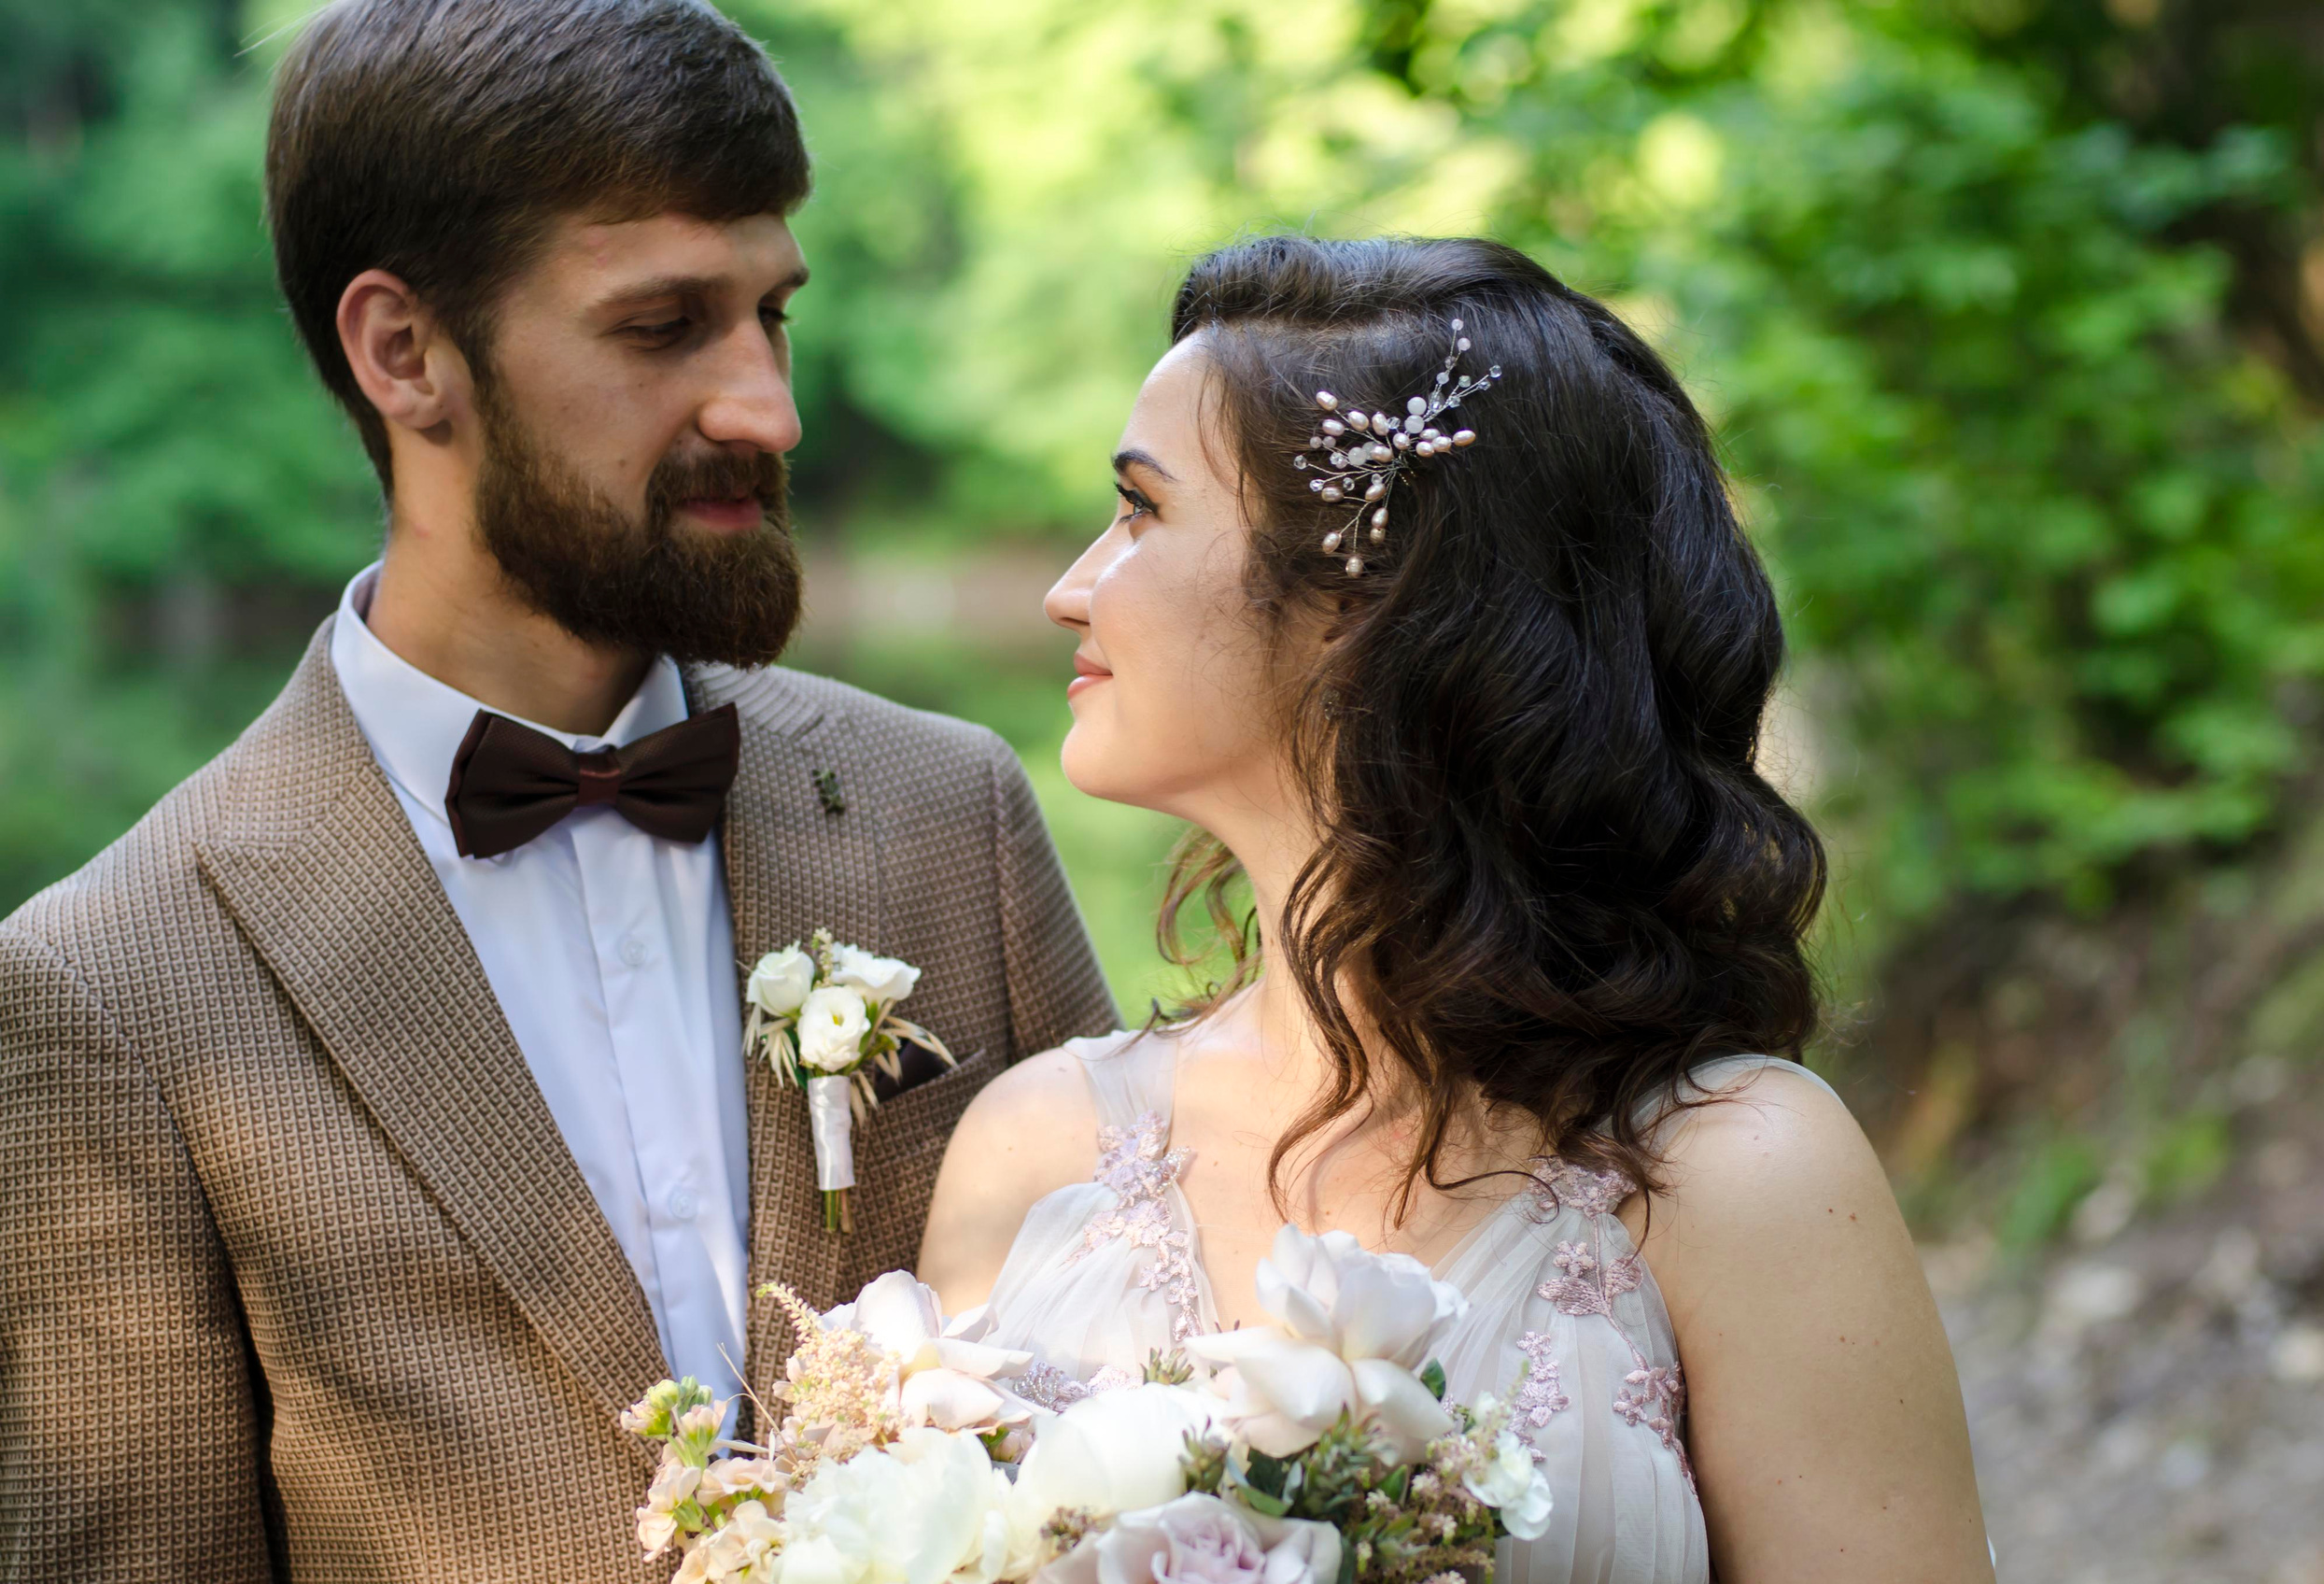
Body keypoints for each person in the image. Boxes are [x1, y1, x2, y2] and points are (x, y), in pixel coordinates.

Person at [0, 1, 1114, 1577]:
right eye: (662, 328)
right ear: (403, 353)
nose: (766, 409)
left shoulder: (953, 815)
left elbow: (1142, 1381)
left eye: (772, 316)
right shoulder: (107, 988)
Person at [920, 235, 1994, 1582]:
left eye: (1139, 512)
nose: (1070, 586)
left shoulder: (1742, 1174)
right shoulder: (1036, 1151)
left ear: (1366, 600)